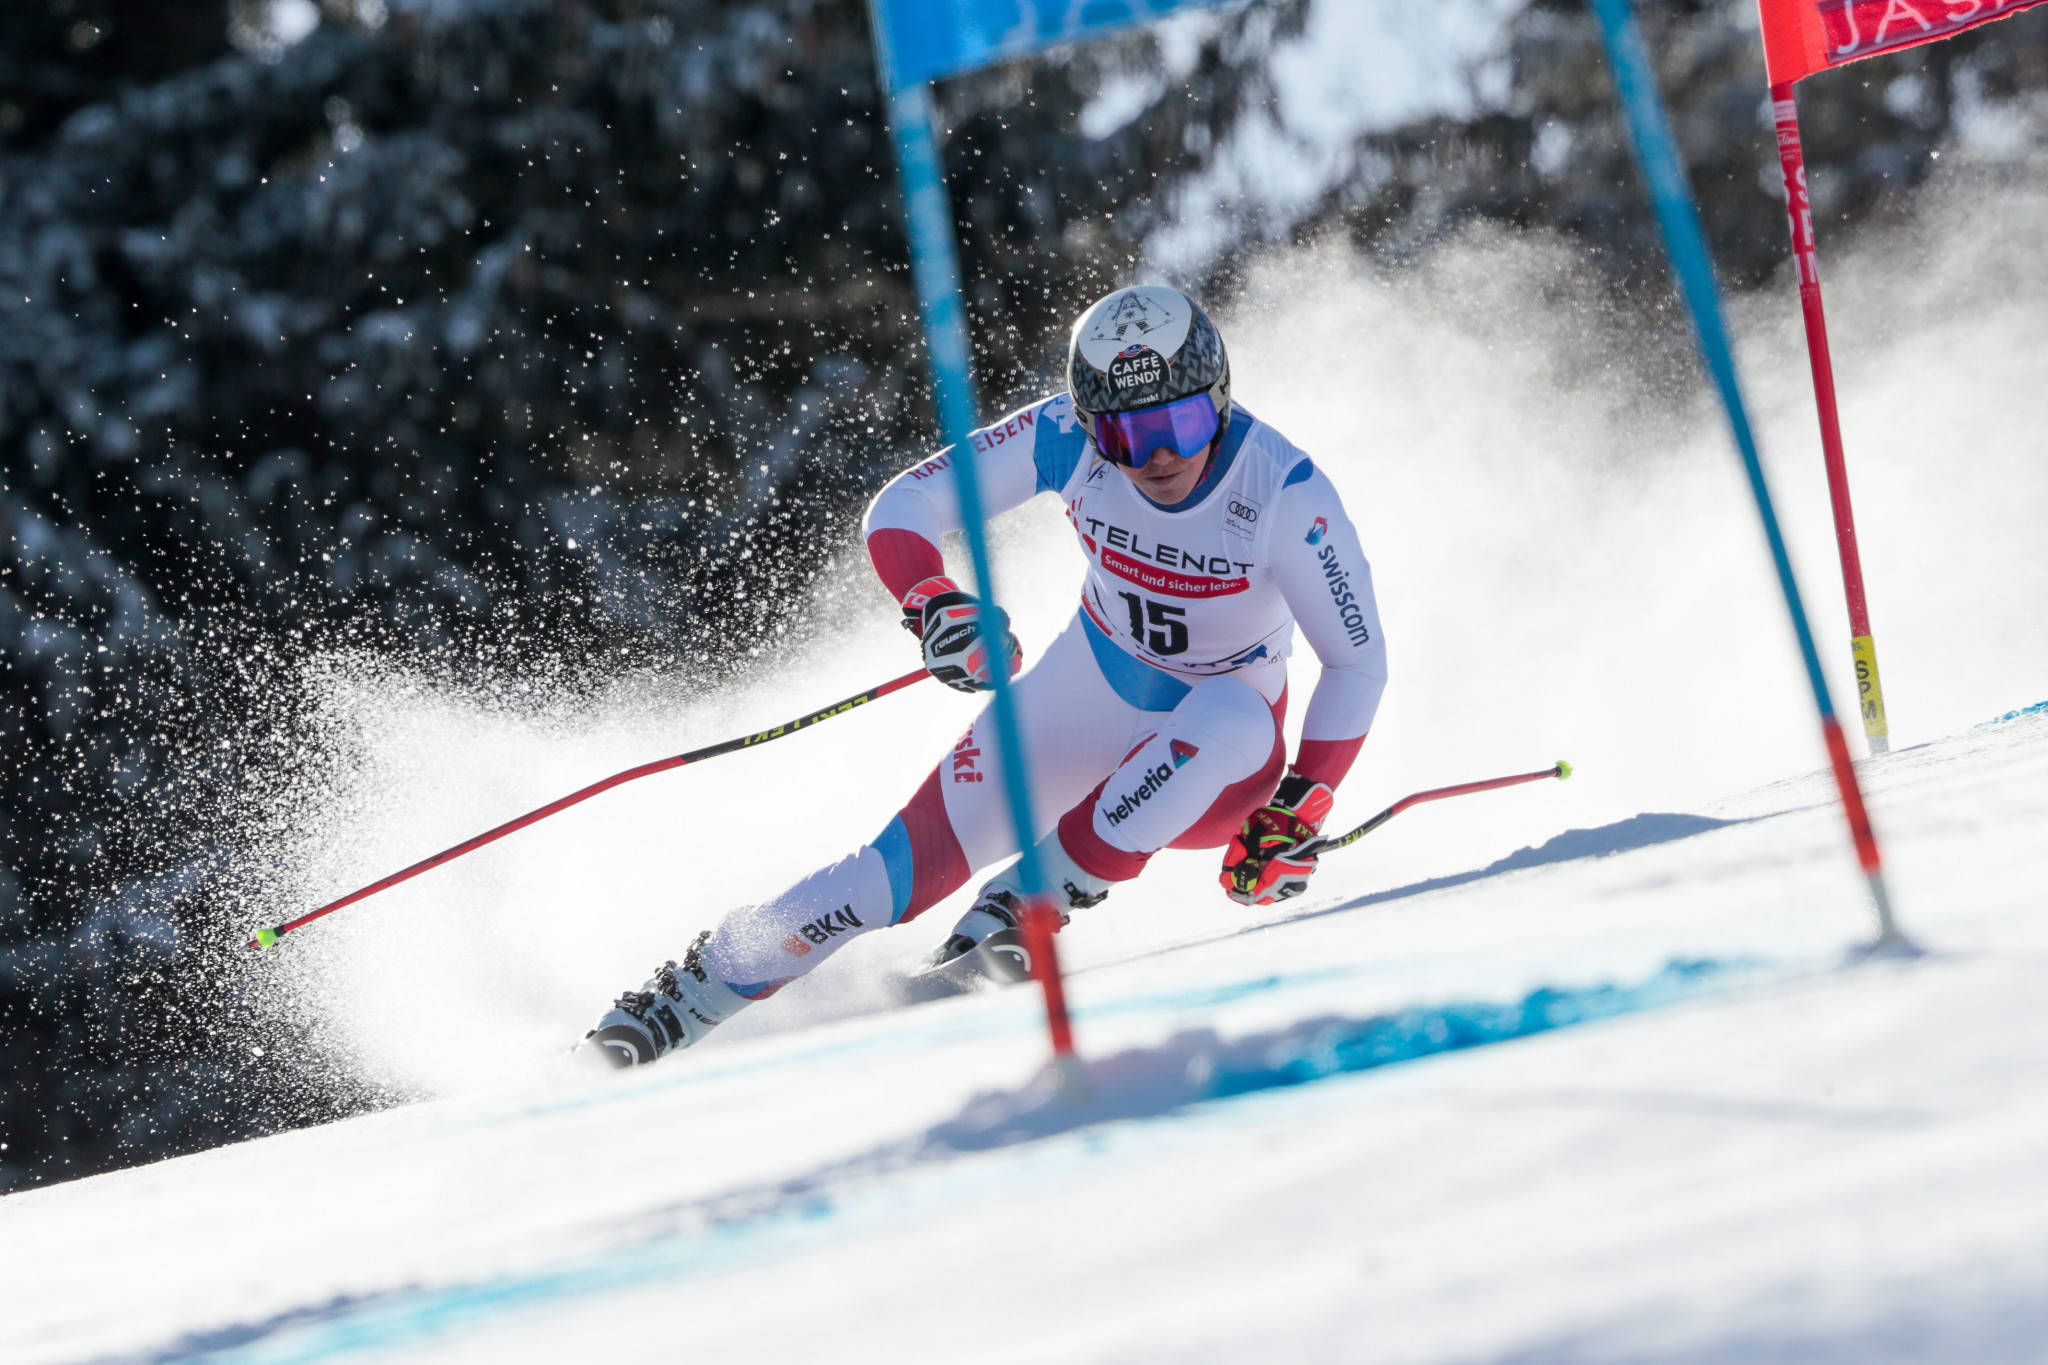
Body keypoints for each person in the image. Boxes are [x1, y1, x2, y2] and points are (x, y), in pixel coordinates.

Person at [582, 285, 1388, 1068]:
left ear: (1220, 399)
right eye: (1129, 439)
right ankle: (687, 994)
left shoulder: (1285, 491)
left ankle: (1030, 902)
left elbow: (1356, 661)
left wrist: (1300, 804)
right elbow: (904, 504)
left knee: (1233, 713)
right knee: (883, 881)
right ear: (1090, 426)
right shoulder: (1063, 437)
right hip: (1090, 690)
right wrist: (931, 600)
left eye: (1180, 422)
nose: (1161, 457)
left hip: (1221, 768)